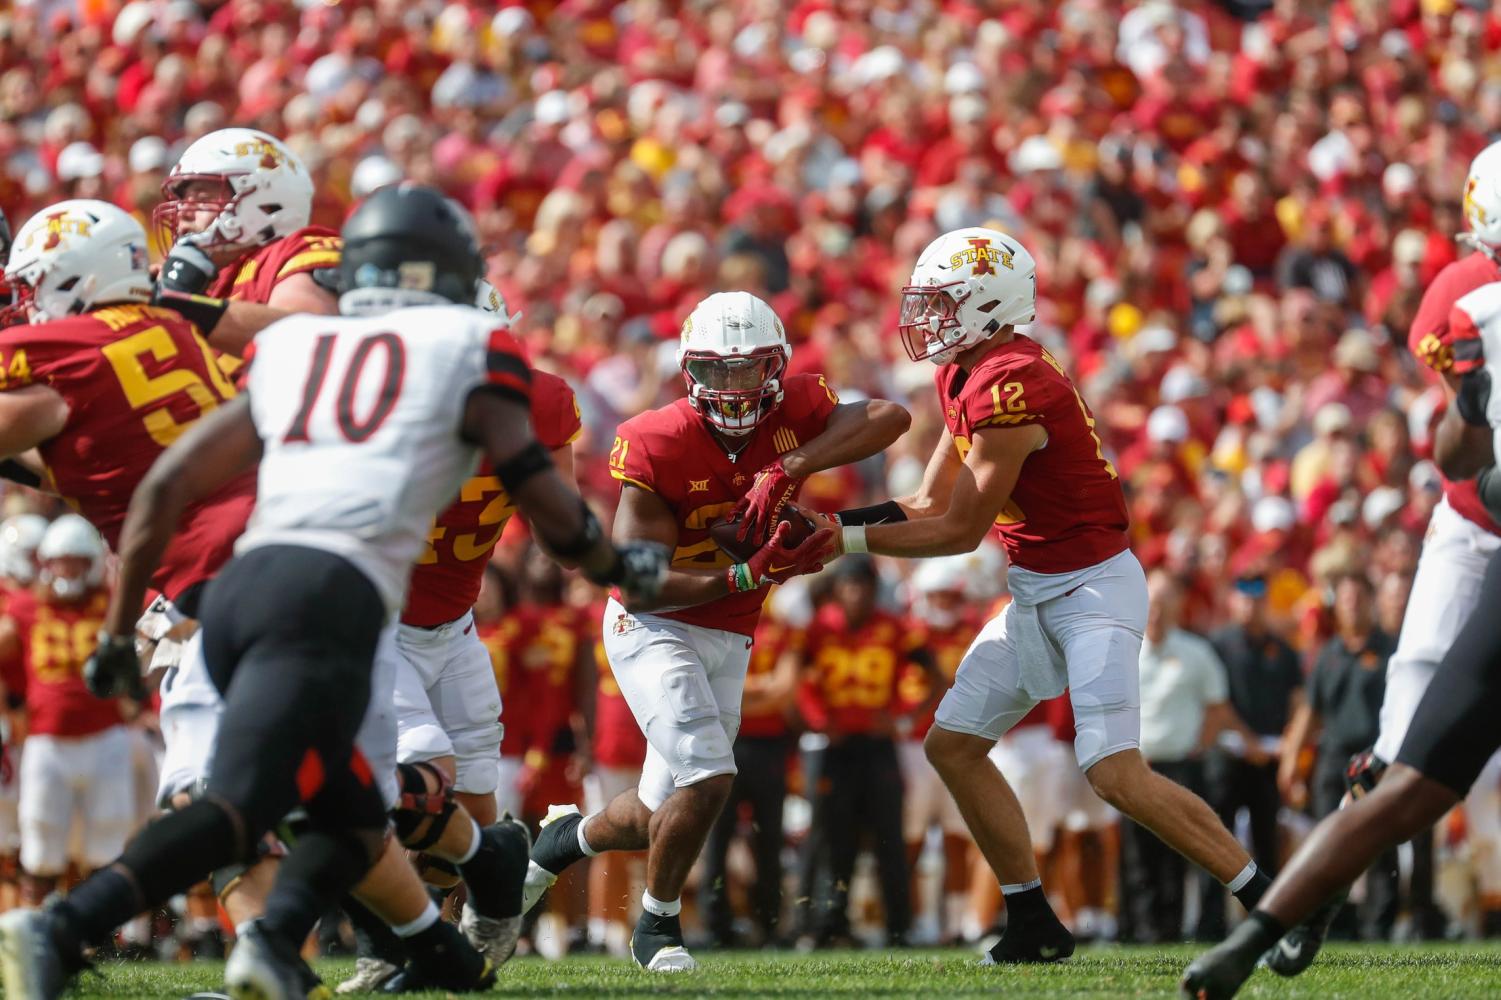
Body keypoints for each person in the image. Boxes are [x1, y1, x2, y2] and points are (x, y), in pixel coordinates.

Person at [0, 183, 669, 1000]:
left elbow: (168, 485)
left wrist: (115, 632)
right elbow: (541, 492)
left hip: (233, 587)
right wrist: (611, 566)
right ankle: (66, 928)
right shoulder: (470, 343)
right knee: (249, 801)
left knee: (341, 799)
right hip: (335, 593)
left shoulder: (296, 348)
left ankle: (402, 948)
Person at [805, 226, 1294, 964]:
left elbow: (959, 529)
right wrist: (825, 525)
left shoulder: (1009, 382)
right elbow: (924, 500)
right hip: (1039, 590)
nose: (927, 320)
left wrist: (835, 541)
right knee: (953, 747)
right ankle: (1031, 918)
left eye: (943, 304)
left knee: (1113, 772)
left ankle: (1274, 906)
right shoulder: (968, 371)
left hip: (1094, 588)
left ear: (991, 305)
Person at [519, 289, 911, 971]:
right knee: (708, 776)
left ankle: (559, 843)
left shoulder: (794, 413)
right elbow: (637, 580)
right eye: (715, 370)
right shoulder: (655, 439)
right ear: (686, 369)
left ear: (777, 367)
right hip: (653, 623)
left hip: (730, 630)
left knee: (654, 811)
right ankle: (657, 926)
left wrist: (790, 465)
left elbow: (890, 415)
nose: (731, 388)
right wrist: (743, 576)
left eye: (747, 370)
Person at [1178, 281, 1501, 999]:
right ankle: (1295, 910)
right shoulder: (1470, 301)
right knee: (1397, 764)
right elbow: (1458, 458)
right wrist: (1472, 396)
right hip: (1477, 535)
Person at [793, 556, 942, 946]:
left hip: (879, 747)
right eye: (849, 585)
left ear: (874, 591)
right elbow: (795, 680)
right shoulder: (817, 628)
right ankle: (829, 925)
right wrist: (816, 718)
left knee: (889, 839)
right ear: (838, 589)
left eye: (863, 585)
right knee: (833, 839)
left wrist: (904, 720)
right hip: (836, 747)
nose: (856, 593)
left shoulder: (894, 628)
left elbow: (937, 679)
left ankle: (898, 928)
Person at [1120, 571, 1262, 944]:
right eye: (1153, 601)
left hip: (1183, 765)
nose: (1157, 610)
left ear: (1178, 606)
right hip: (1138, 765)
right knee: (1139, 856)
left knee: (1181, 852)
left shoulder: (1195, 652)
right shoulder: (1126, 650)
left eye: (1165, 601)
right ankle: (1142, 929)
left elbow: (1217, 706)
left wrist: (1198, 745)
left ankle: (1172, 929)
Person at [0, 517, 129, 907]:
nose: (68, 570)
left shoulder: (111, 600)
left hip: (107, 734)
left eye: (76, 561)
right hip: (47, 739)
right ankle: (31, 926)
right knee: (40, 833)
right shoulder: (24, 605)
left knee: (109, 835)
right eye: (61, 561)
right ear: (46, 562)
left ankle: (102, 932)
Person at [149, 127, 341, 358]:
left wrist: (181, 307)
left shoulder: (292, 252)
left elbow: (307, 337)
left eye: (201, 197)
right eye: (181, 201)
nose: (183, 213)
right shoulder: (208, 284)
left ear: (267, 201)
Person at [1279, 574, 1397, 940]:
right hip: (1332, 760)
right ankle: (1334, 923)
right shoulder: (1327, 654)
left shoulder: (1390, 650)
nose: (1352, 605)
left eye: (1359, 597)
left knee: (1379, 841)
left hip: (1375, 759)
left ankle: (1380, 924)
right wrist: (1290, 764)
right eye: (1345, 599)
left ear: (1371, 602)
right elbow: (1308, 714)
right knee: (1328, 842)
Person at [1197, 574, 1304, 940]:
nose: (1250, 605)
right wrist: (1249, 741)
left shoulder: (1282, 649)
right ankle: (1210, 925)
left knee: (1268, 843)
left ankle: (1267, 923)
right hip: (1226, 759)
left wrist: (1287, 743)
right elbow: (1216, 702)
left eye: (1257, 598)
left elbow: (1296, 700)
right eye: (1242, 597)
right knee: (1214, 839)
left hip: (1268, 761)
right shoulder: (1218, 646)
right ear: (1231, 600)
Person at [700, 599, 800, 948]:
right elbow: (709, 688)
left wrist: (739, 696)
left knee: (770, 837)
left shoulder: (781, 629)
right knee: (717, 836)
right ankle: (715, 926)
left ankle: (770, 924)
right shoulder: (717, 623)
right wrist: (763, 689)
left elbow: (785, 689)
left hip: (768, 745)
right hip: (726, 740)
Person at [898, 555, 980, 945]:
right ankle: (919, 920)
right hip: (913, 746)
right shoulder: (906, 635)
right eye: (939, 596)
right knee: (911, 837)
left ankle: (957, 921)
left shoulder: (974, 632)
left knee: (956, 835)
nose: (945, 604)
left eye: (951, 596)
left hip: (961, 744)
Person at [0, 514, 46, 913]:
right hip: (13, 719)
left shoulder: (45, 596)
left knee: (34, 830)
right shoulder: (12, 597)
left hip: (37, 724)